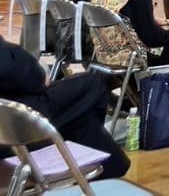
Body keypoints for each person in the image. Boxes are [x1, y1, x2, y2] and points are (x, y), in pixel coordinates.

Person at [0, 35, 130, 179]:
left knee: (82, 116)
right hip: (20, 119)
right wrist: (38, 75)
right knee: (92, 85)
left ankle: (105, 162)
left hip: (15, 109)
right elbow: (22, 74)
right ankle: (103, 163)